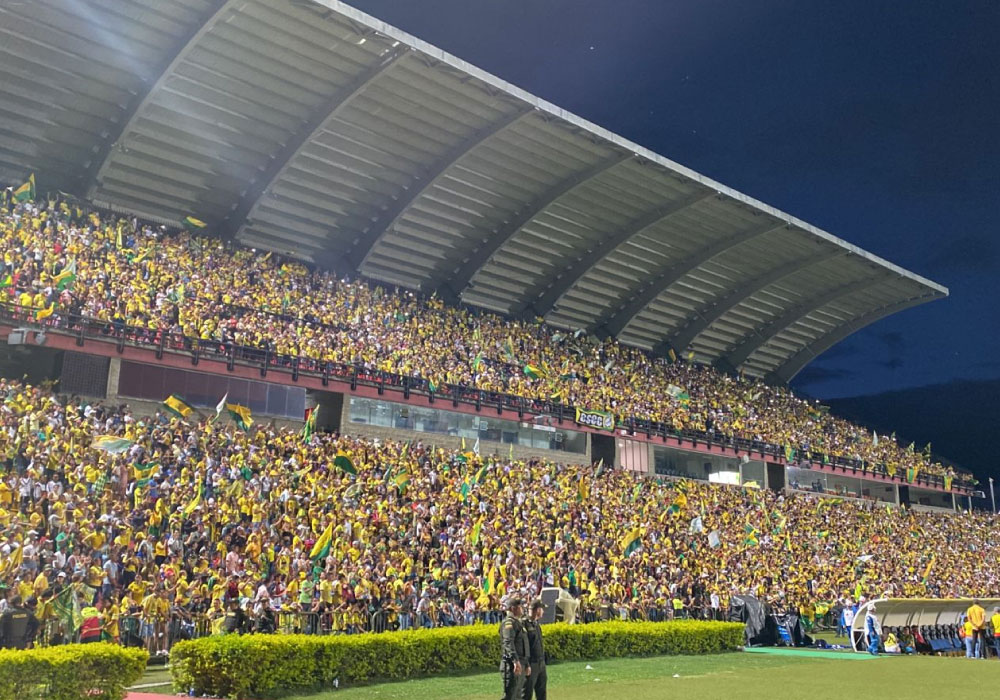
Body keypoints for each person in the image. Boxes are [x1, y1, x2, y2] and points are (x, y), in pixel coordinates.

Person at [499, 597, 529, 700]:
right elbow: (508, 642)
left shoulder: (518, 622)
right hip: (512, 665)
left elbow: (523, 645)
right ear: (513, 608)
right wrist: (515, 660)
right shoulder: (509, 623)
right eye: (520, 606)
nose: (522, 609)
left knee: (517, 695)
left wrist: (526, 664)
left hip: (521, 663)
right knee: (510, 695)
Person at [523, 600, 547, 700]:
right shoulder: (524, 624)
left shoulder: (536, 624)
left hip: (540, 663)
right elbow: (524, 646)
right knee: (527, 692)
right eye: (542, 609)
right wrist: (526, 664)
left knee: (542, 692)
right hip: (531, 663)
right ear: (537, 610)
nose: (543, 612)